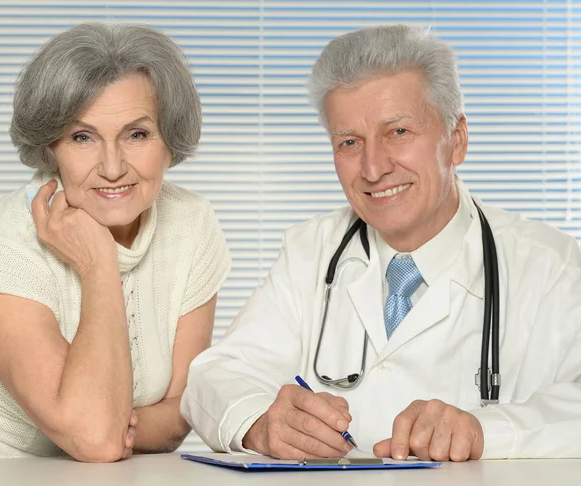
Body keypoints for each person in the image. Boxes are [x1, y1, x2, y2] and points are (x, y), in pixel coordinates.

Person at [181, 24, 581, 462]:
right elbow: (215, 377)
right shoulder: (311, 252)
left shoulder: (553, 267)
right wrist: (259, 422)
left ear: (457, 140)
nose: (373, 169)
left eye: (398, 133)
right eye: (349, 142)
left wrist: (485, 432)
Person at [0, 23, 230, 461]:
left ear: (169, 141)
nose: (112, 168)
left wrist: (110, 420)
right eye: (82, 137)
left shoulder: (190, 222)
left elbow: (181, 411)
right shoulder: (1, 244)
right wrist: (98, 264)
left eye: (137, 134)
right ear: (49, 148)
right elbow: (96, 439)